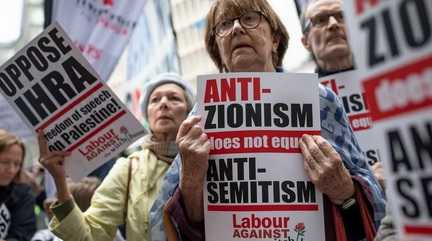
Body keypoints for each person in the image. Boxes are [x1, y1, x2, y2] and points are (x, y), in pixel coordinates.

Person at [149, 1, 386, 241]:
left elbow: (377, 204)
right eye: (225, 24)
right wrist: (190, 181)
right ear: (217, 50)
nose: (237, 29)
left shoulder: (319, 99)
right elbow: (161, 224)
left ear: (275, 39)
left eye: (250, 18)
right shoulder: (200, 118)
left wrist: (344, 189)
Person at [39, 73, 195, 241]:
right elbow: (89, 235)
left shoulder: (207, 159)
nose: (163, 104)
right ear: (147, 115)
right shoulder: (129, 168)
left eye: (174, 99)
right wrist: (60, 179)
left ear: (189, 113)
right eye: (155, 100)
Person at [300, 0, 386, 189]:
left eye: (342, 16)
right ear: (305, 41)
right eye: (320, 20)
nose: (333, 24)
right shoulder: (299, 101)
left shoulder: (391, 81)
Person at [0, 129, 36, 241]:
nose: (11, 170)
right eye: (5, 162)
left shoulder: (23, 195)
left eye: (17, 164)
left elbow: (21, 236)